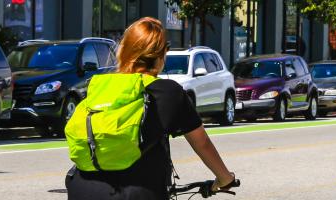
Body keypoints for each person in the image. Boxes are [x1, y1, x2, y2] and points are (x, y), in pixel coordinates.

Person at [65, 17, 236, 200]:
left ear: (124, 50)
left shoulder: (98, 86)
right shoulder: (169, 92)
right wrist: (224, 178)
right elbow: (202, 144)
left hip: (81, 189)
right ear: (161, 55)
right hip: (136, 193)